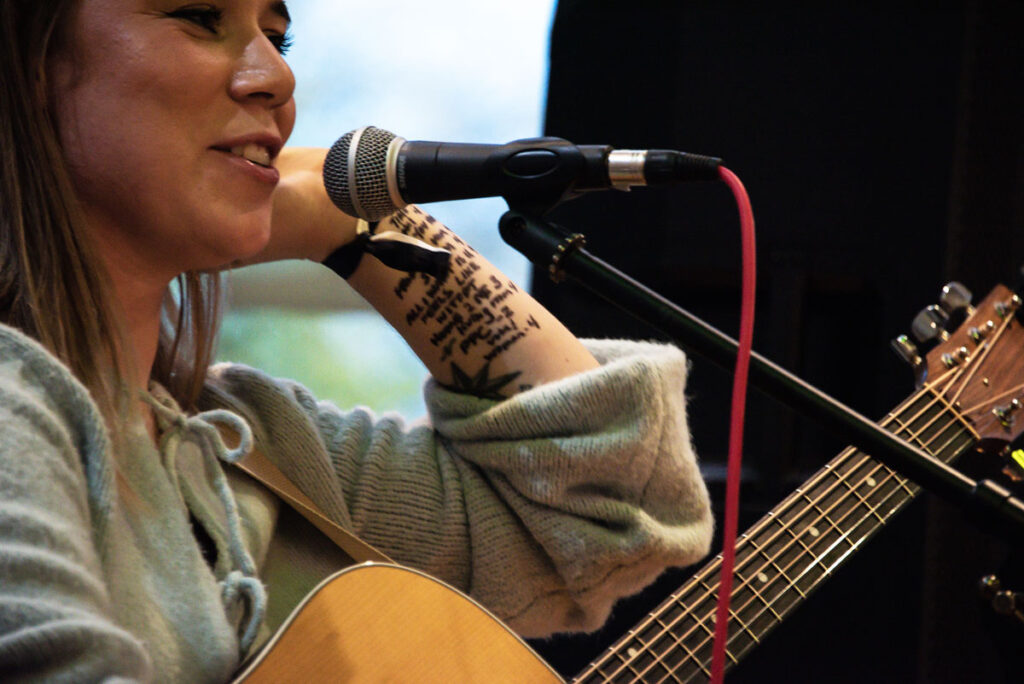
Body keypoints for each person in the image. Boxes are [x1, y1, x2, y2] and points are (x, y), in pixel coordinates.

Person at [0, 1, 714, 681]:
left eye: (278, 37)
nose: (278, 77)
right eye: (199, 16)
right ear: (28, 65)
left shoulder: (242, 441)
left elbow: (609, 516)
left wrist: (350, 222)